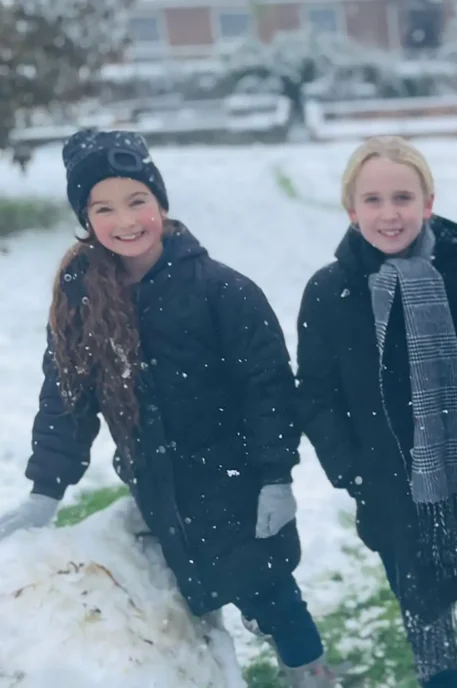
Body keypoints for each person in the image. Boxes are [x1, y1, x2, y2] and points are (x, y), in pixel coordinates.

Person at [0, 129, 335, 686]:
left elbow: (268, 387)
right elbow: (66, 397)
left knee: (271, 591)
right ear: (87, 219)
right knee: (192, 596)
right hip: (159, 485)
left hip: (236, 478)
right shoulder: (83, 297)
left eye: (137, 200)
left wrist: (276, 476)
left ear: (160, 202)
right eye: (103, 208)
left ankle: (309, 671)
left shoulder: (221, 290)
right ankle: (213, 671)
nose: (125, 220)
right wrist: (45, 489)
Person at [295, 136, 457, 688]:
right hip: (386, 488)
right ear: (351, 210)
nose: (389, 213)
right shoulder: (331, 292)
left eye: (402, 197)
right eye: (373, 200)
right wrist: (353, 472)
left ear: (428, 202)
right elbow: (314, 394)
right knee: (424, 620)